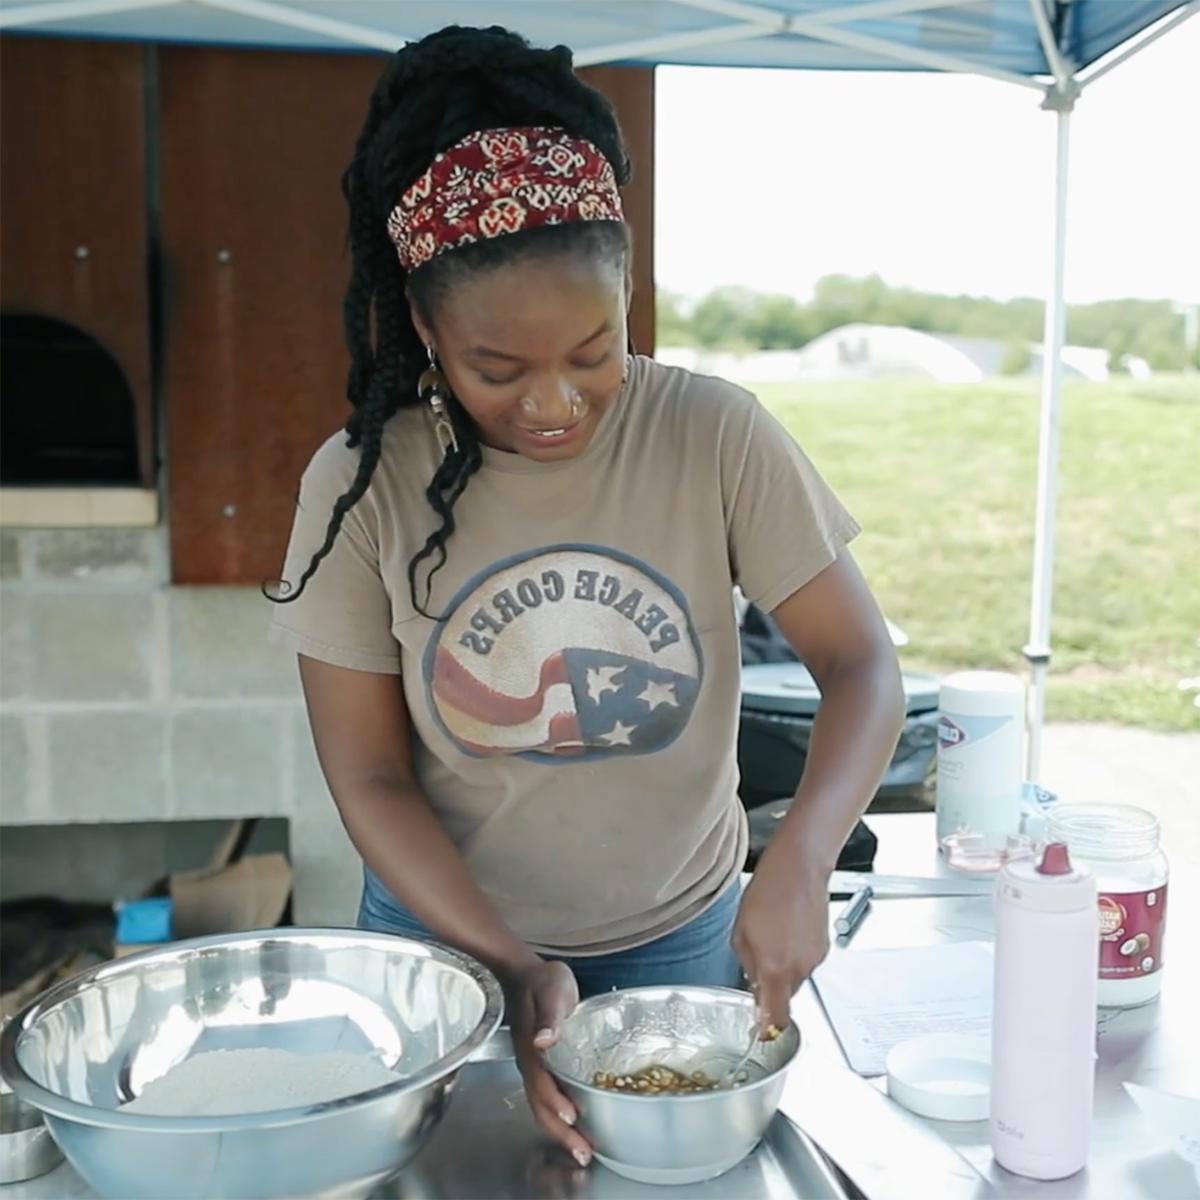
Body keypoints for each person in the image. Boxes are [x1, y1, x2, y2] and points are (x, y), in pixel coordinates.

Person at [269, 24, 905, 1167]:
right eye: (496, 370)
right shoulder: (360, 481)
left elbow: (859, 665)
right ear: (424, 326)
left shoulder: (715, 435)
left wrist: (803, 855)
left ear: (628, 296)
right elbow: (365, 772)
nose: (555, 403)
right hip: (447, 954)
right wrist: (509, 962)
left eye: (593, 350)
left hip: (681, 942)